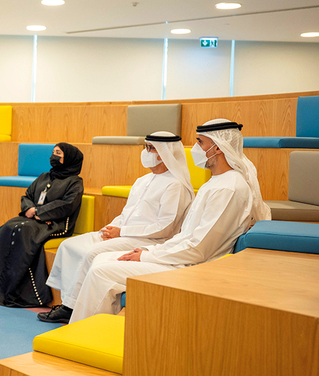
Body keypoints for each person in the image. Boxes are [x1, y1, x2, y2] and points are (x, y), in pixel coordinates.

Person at [69, 119, 271, 322]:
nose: (195, 149)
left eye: (200, 142)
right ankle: (98, 330)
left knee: (101, 271)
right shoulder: (217, 182)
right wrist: (151, 251)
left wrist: (148, 256)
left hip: (194, 267)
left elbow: (199, 249)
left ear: (217, 148)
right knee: (101, 260)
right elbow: (187, 236)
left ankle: (85, 332)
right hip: (181, 257)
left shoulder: (228, 188)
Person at [39, 131, 194, 323]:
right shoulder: (143, 180)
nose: (145, 152)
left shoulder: (176, 185)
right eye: (146, 147)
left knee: (92, 254)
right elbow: (127, 213)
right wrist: (111, 228)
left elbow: (166, 227)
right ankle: (68, 302)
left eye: (150, 148)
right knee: (68, 245)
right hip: (122, 232)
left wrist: (121, 232)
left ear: (164, 153)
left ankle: (70, 308)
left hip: (148, 240)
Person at [0, 143, 85, 307]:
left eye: (58, 153)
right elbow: (27, 195)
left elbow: (67, 205)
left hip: (56, 224)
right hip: (34, 219)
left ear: (69, 158)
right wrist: (31, 210)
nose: (53, 156)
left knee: (23, 231)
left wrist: (39, 212)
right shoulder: (44, 176)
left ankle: (12, 291)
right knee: (7, 228)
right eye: (53, 152)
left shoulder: (75, 182)